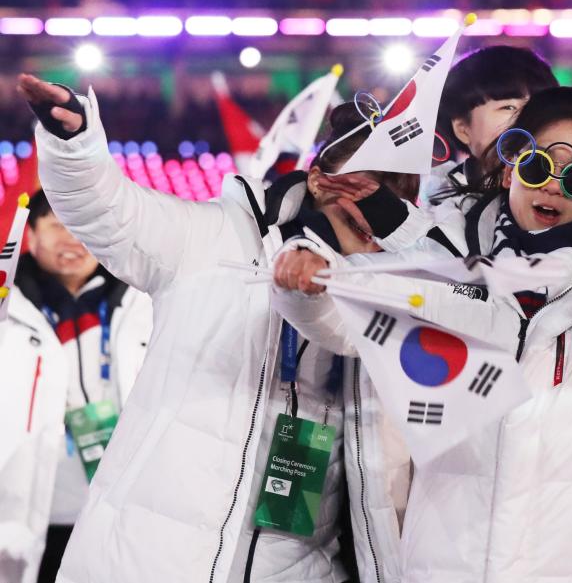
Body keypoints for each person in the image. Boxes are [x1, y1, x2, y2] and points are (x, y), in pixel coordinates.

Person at [272, 86, 572, 582]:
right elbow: (350, 328)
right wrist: (309, 287)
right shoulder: (443, 266)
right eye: (535, 168)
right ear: (510, 169)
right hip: (448, 564)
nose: (550, 188)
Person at [17, 73, 418, 583]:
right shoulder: (212, 234)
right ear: (318, 178)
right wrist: (74, 147)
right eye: (367, 187)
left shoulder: (395, 289)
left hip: (296, 561)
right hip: (154, 554)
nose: (380, 213)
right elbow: (112, 211)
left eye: (401, 198)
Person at [0, 191, 152, 583]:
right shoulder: (8, 309)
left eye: (85, 227)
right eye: (56, 225)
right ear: (30, 236)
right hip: (30, 510)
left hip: (120, 511)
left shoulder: (147, 305)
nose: (73, 238)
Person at [422, 45, 558, 205]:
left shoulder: (564, 196)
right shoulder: (434, 214)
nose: (527, 119)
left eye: (536, 106)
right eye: (508, 107)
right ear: (463, 129)